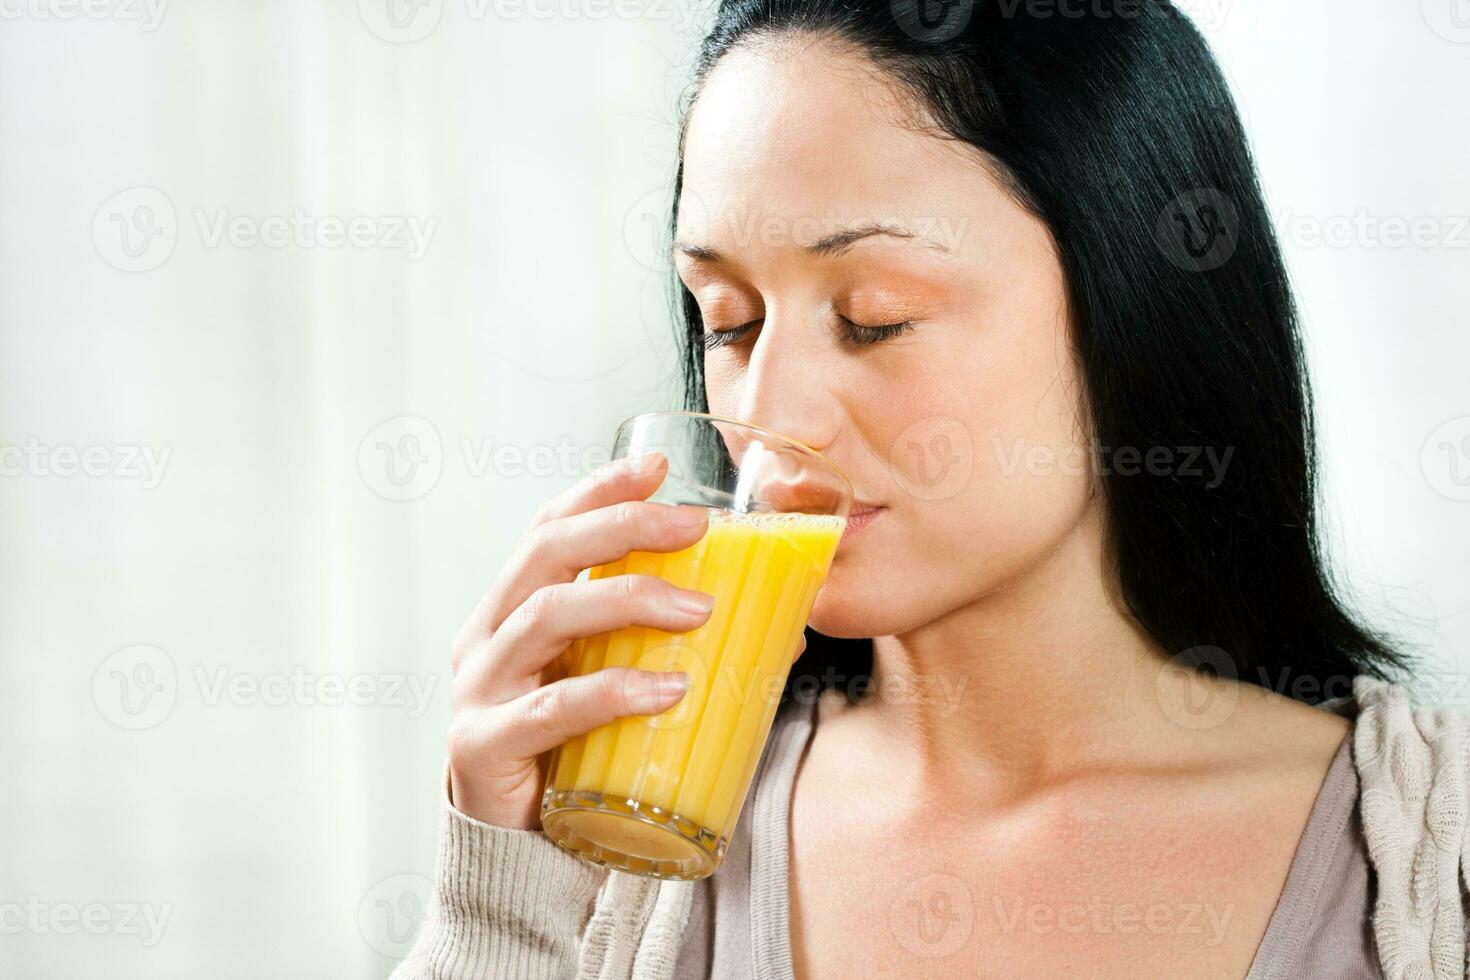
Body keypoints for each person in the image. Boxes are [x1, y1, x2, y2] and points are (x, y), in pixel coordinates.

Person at [395, 1, 1470, 976]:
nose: (773, 419)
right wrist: (502, 913)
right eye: (729, 320)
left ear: (1133, 301)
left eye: (875, 315)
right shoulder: (629, 841)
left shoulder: (1434, 855)